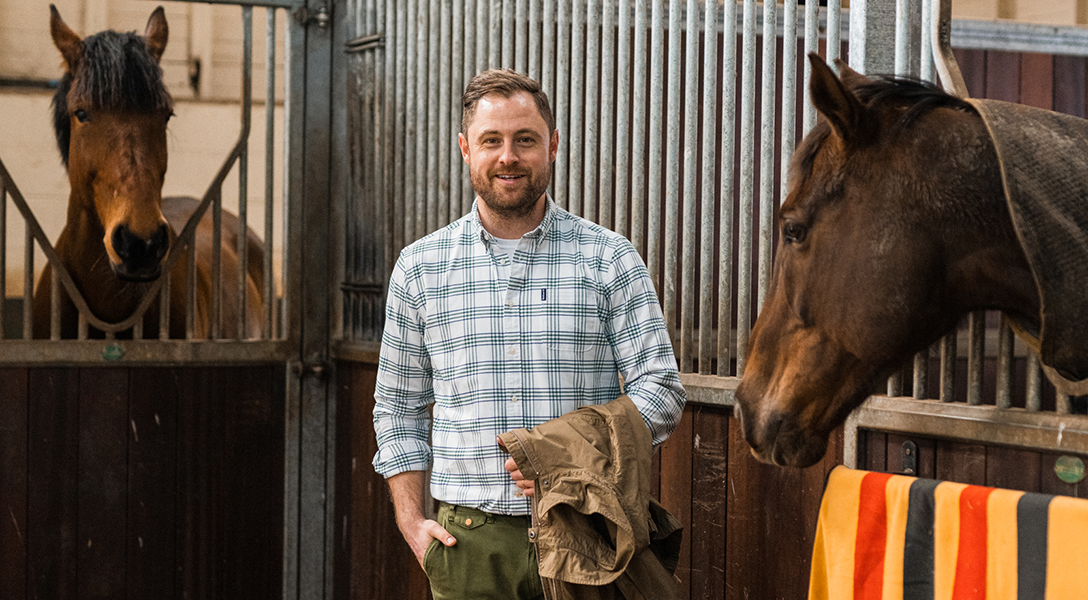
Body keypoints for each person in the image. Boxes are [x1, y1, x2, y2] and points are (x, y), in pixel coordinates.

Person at [372, 68, 686, 600]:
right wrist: (410, 520)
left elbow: (662, 390)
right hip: (468, 545)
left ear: (553, 146)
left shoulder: (608, 258)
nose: (508, 157)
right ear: (466, 149)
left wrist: (564, 455)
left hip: (589, 536)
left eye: (525, 140)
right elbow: (397, 408)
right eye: (491, 141)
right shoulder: (419, 268)